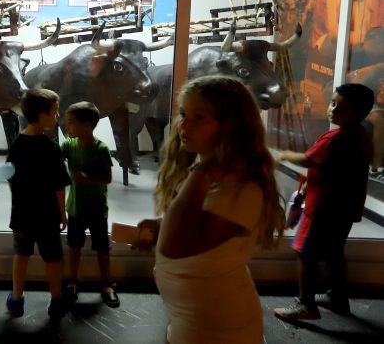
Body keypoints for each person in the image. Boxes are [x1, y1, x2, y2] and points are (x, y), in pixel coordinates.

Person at [137, 75, 284, 343]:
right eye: (183, 114)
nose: (184, 124)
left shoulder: (242, 189)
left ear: (230, 127)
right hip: (191, 323)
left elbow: (176, 247)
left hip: (222, 330)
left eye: (200, 117)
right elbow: (195, 225)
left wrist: (202, 170)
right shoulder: (209, 178)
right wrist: (161, 225)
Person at [273, 83, 374, 320]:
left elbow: (308, 160)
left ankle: (305, 304)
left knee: (305, 254)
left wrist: (284, 154)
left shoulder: (334, 137)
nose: (332, 109)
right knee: (334, 252)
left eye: (340, 107)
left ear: (359, 113)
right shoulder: (361, 135)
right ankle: (338, 298)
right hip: (345, 209)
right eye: (332, 103)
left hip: (322, 209)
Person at [5, 88, 72, 319]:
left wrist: (17, 202)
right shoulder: (52, 148)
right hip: (47, 215)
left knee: (21, 255)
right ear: (42, 116)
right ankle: (56, 299)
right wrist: (62, 214)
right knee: (53, 258)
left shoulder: (16, 145)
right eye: (54, 112)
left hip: (22, 213)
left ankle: (16, 298)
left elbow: (10, 178)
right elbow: (58, 187)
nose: (57, 116)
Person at [60, 101, 118, 308]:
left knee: (102, 248)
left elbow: (107, 178)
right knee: (74, 247)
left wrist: (85, 177)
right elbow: (56, 160)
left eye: (71, 122)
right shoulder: (68, 144)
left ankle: (107, 284)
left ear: (86, 125)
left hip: (96, 208)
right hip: (75, 207)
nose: (67, 126)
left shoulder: (101, 149)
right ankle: (72, 282)